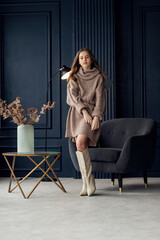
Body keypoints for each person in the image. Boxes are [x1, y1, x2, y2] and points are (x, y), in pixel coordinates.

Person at [65, 48, 107, 196]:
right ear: (78, 61)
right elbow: (72, 99)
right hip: (77, 114)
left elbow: (100, 99)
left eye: (87, 57)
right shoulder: (74, 77)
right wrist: (83, 112)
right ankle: (86, 182)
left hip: (92, 112)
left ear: (91, 59)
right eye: (81, 58)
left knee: (81, 142)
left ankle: (89, 180)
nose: (84, 60)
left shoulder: (98, 77)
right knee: (79, 144)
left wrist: (96, 116)